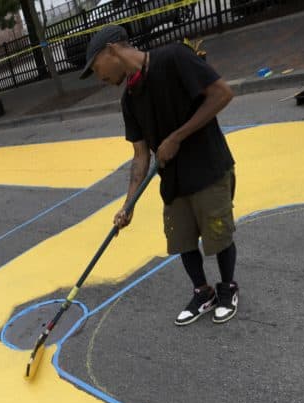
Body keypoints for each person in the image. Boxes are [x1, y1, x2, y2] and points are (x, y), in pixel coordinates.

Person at [82, 25, 240, 325]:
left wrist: (177, 137)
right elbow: (140, 156)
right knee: (182, 240)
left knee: (218, 235)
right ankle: (202, 292)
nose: (98, 76)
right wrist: (128, 205)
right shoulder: (129, 99)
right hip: (173, 181)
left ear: (112, 50)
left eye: (95, 67)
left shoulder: (174, 58)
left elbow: (222, 94)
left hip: (208, 167)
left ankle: (227, 287)